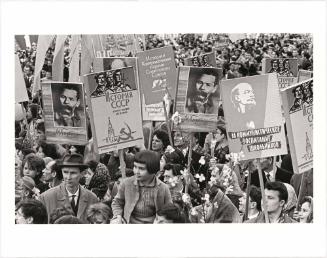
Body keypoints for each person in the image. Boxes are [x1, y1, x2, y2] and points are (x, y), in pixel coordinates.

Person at [111, 150, 172, 224]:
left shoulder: (163, 188)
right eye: (135, 167)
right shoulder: (126, 183)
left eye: (141, 168)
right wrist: (118, 216)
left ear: (152, 169)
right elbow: (117, 202)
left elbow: (169, 210)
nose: (136, 171)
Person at [39, 153, 99, 223]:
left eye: (73, 173)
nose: (68, 177)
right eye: (65, 172)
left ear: (82, 173)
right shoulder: (45, 198)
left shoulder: (92, 198)